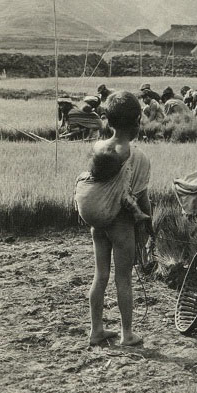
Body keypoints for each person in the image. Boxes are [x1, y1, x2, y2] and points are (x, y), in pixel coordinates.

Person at [78, 91, 151, 348]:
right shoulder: (136, 155)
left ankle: (96, 330)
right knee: (124, 280)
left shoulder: (98, 147)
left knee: (100, 276)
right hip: (121, 224)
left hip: (98, 224)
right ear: (137, 122)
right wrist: (146, 223)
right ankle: (127, 334)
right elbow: (141, 195)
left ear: (108, 120)